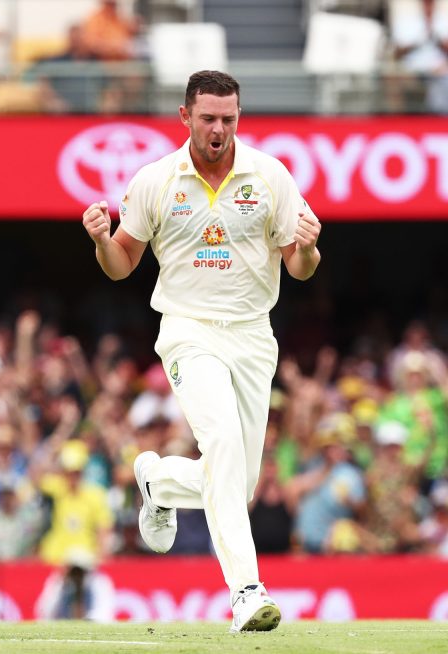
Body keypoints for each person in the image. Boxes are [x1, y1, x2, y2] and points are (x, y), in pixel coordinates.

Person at [81, 70, 322, 633]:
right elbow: (121, 265)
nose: (219, 130)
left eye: (229, 119)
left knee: (238, 483)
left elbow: (299, 267)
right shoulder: (156, 180)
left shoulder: (269, 176)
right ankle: (245, 592)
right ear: (185, 117)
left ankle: (158, 481)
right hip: (189, 331)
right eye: (209, 118)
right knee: (220, 446)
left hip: (253, 334)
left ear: (240, 117)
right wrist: (99, 239)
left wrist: (309, 249)